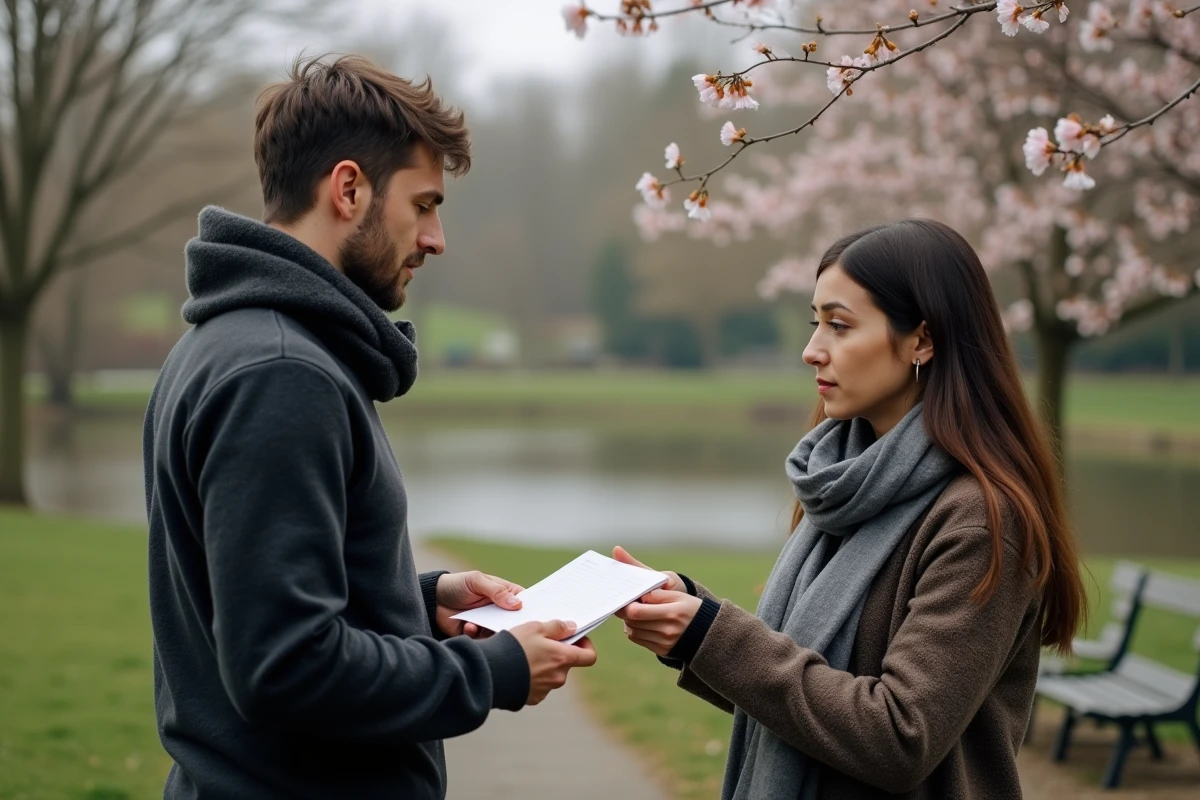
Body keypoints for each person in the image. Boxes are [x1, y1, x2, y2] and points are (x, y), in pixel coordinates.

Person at [142, 55, 596, 800]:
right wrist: (497, 669)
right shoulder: (281, 372)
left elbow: (253, 600)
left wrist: (418, 600)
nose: (436, 238)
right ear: (349, 188)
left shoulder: (233, 344)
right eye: (423, 205)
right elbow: (285, 667)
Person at [614, 219, 1087, 799]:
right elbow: (804, 695)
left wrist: (713, 635)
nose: (812, 350)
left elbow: (899, 737)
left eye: (839, 326)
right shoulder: (841, 486)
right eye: (816, 324)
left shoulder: (982, 522)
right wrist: (691, 620)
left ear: (923, 340)